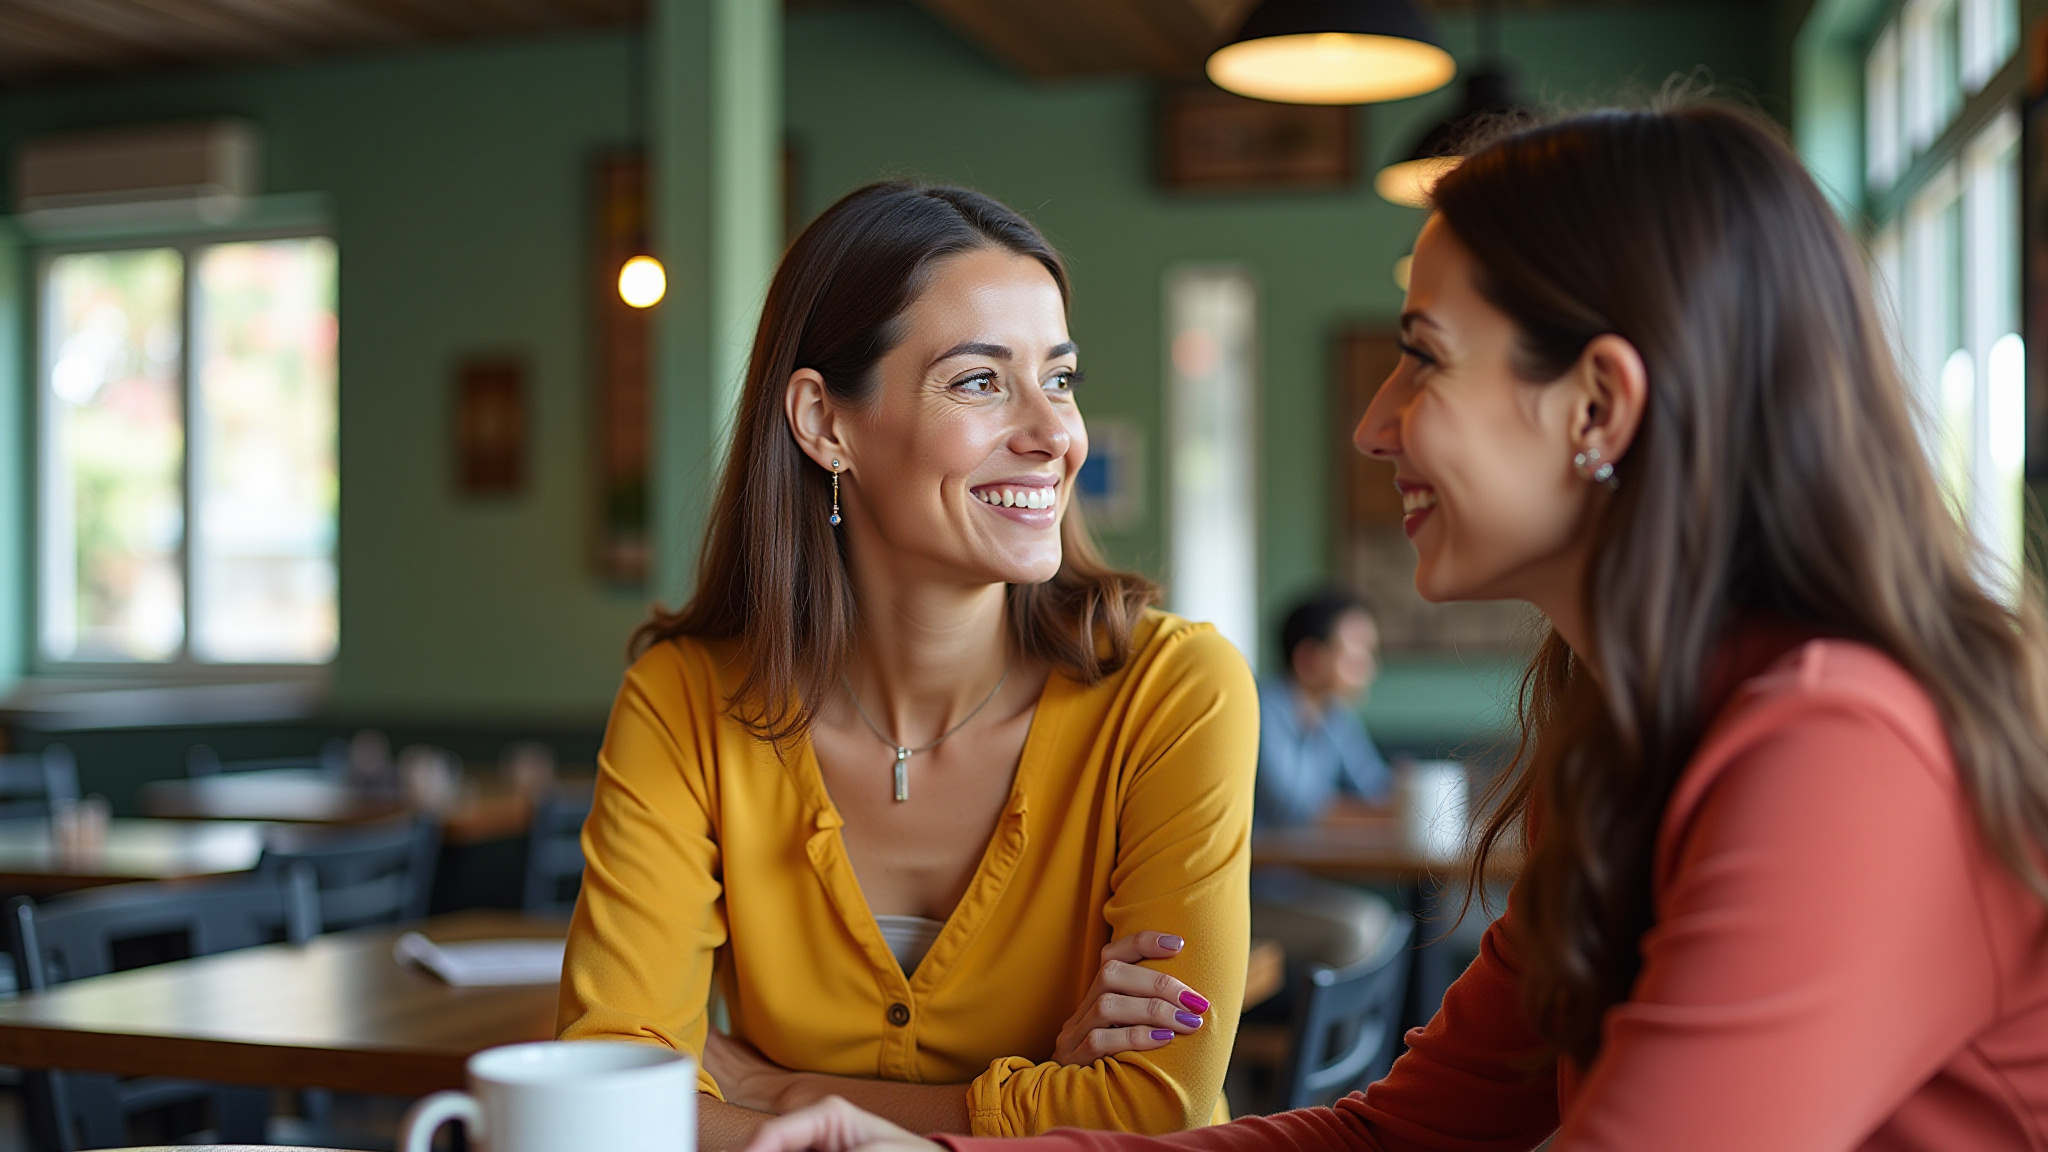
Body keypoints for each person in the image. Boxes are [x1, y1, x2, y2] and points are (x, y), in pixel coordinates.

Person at [738, 103, 2048, 1152]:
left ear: (1598, 406)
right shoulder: (1637, 743)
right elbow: (1397, 1136)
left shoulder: (1840, 750)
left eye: (1421, 356)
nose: (1374, 425)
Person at [557, 183, 1259, 1150]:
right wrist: (1045, 1103)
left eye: (1059, 378)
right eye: (978, 382)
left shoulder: (1175, 692)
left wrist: (786, 1097)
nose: (1056, 436)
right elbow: (606, 1097)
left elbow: (1153, 1108)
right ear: (824, 422)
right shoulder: (684, 702)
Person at [1255, 590, 1392, 830]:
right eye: (1356, 655)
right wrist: (1392, 813)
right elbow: (1294, 809)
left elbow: (1375, 787)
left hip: (1306, 852)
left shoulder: (1336, 715)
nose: (1370, 668)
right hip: (1263, 854)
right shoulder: (1260, 712)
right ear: (1308, 659)